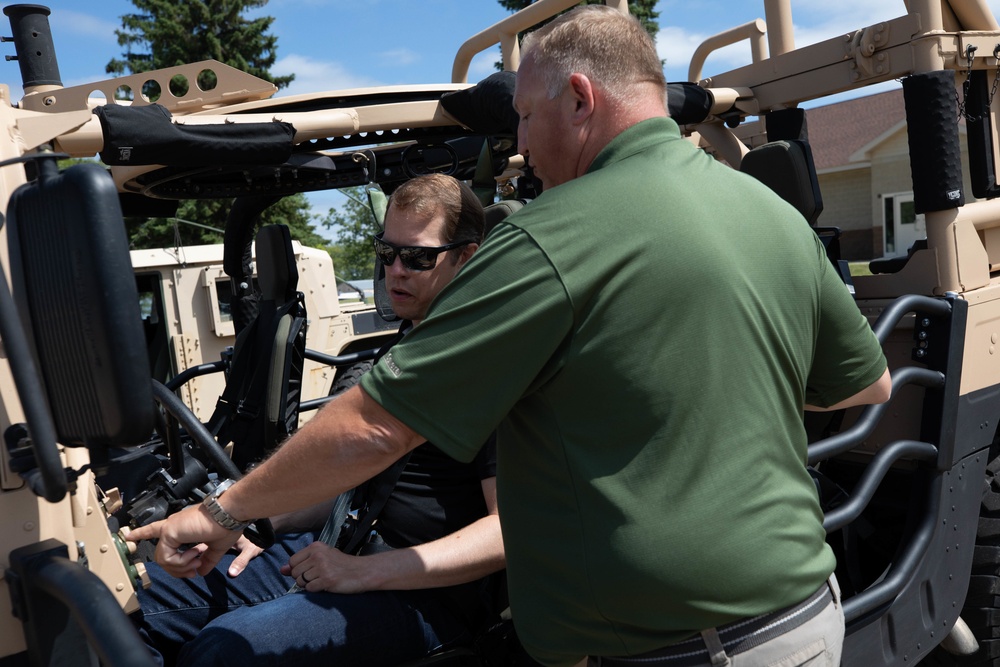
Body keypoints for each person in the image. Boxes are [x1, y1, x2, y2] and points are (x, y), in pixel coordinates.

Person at [132, 6, 893, 667]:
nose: (521, 144)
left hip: (683, 646)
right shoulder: (771, 216)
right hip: (800, 622)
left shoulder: (550, 240)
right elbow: (865, 384)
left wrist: (219, 514)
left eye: (525, 115)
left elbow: (371, 427)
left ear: (580, 97)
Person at [131, 173, 504, 666]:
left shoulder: (491, 364)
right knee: (135, 599)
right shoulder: (407, 345)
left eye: (417, 257)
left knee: (225, 653)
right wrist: (255, 522)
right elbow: (347, 480)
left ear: (466, 257)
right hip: (339, 544)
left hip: (424, 592)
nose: (395, 270)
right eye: (385, 252)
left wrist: (364, 573)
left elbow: (511, 531)